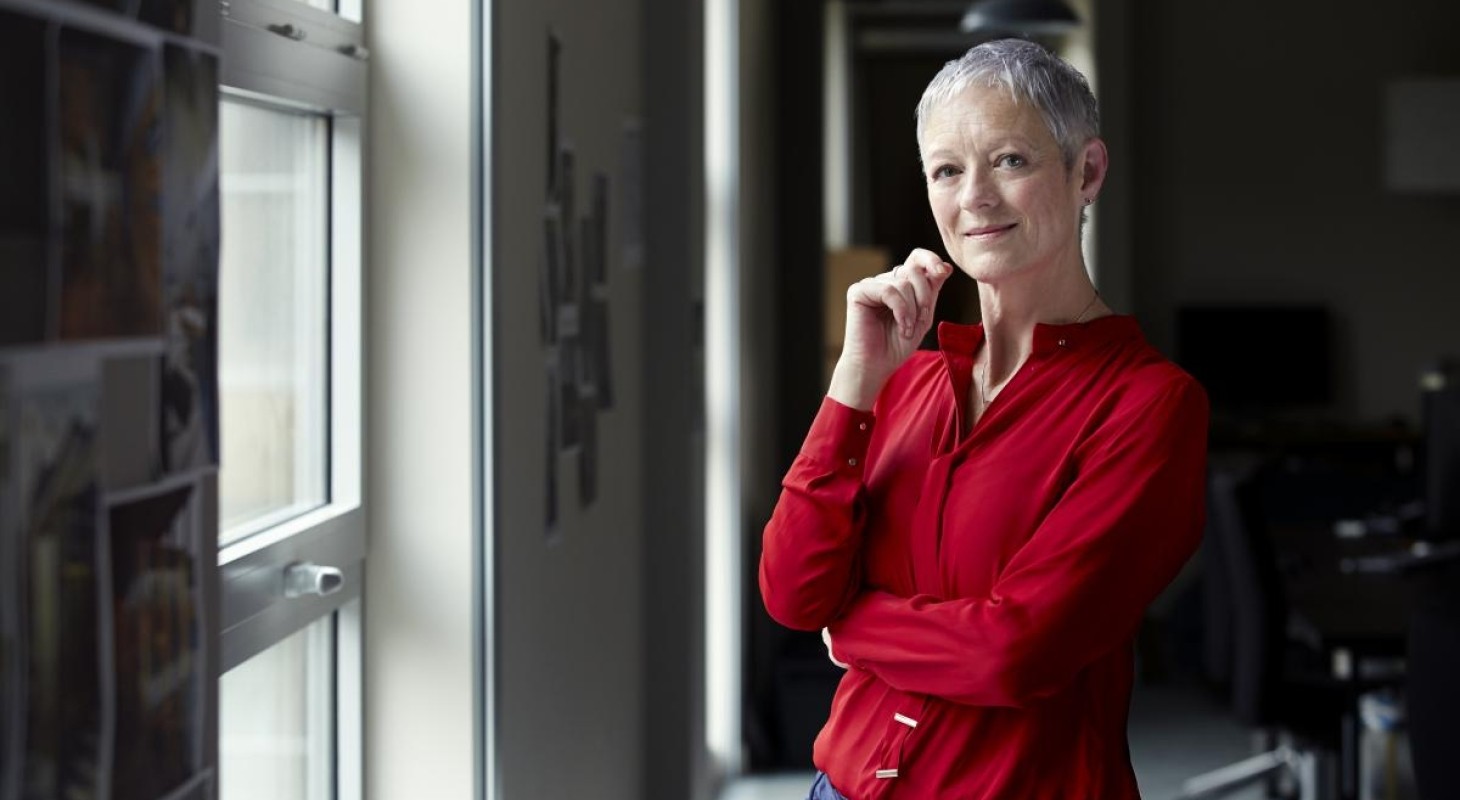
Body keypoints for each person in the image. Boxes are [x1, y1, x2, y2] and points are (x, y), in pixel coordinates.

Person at [759, 38, 1210, 799]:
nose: (975, 198)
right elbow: (794, 593)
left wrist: (855, 630)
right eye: (946, 170)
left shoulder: (1149, 405)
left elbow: (1015, 650)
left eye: (1009, 160)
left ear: (1086, 172)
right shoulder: (907, 384)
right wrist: (852, 387)